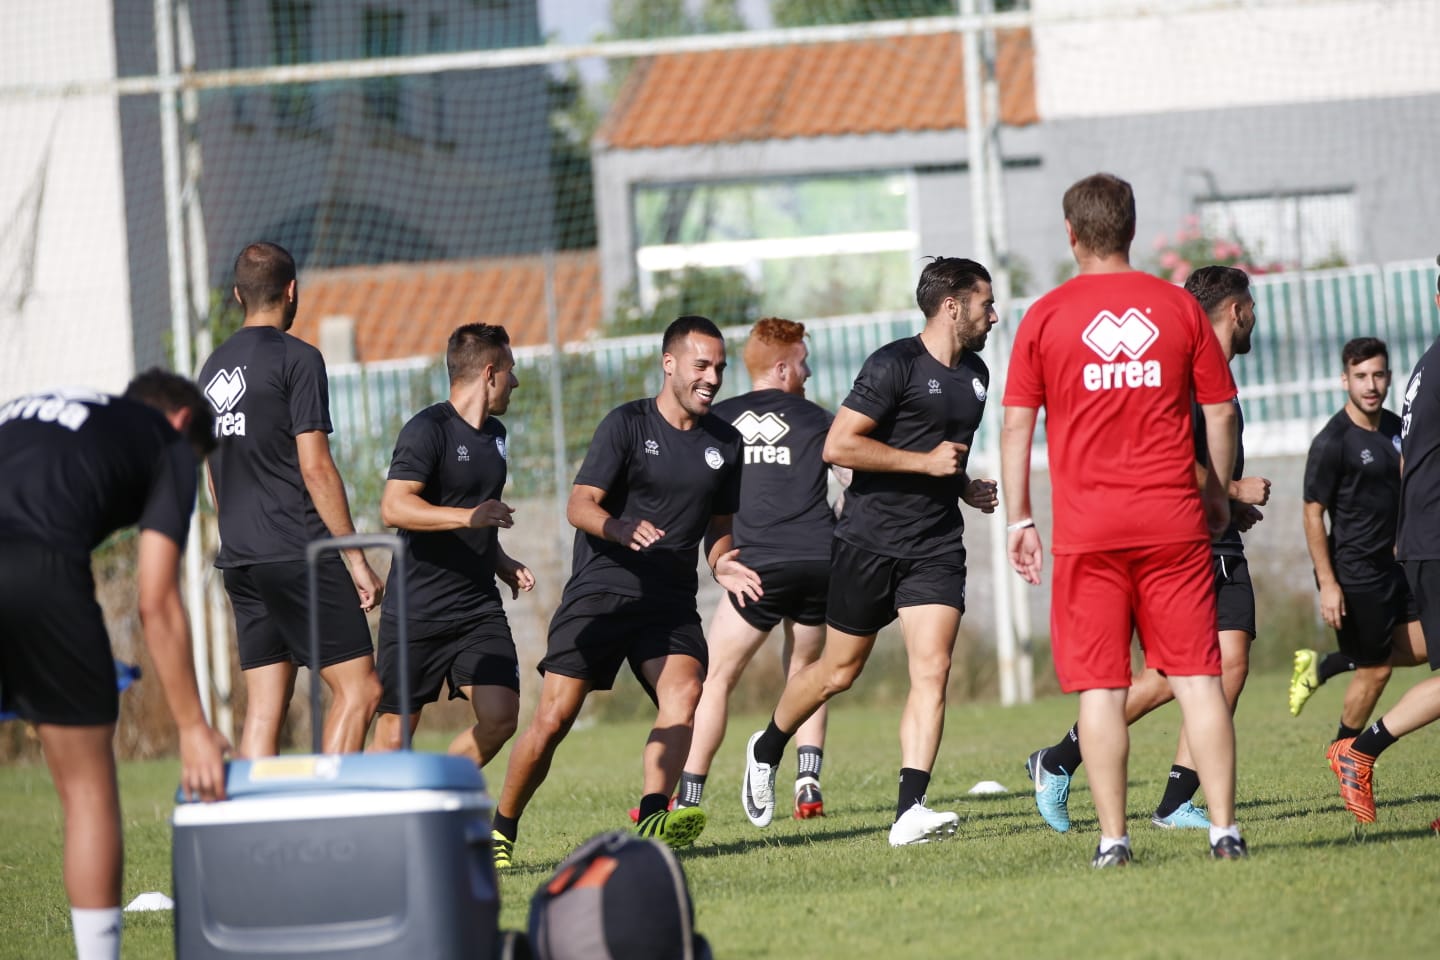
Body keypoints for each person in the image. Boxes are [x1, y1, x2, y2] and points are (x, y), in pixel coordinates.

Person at [1001, 173, 1247, 866]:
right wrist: (1217, 491)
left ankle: (1114, 840)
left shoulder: (1045, 316)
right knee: (1198, 679)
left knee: (1102, 690)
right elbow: (1220, 411)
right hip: (1173, 523)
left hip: (1088, 533)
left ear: (1071, 234)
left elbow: (1016, 427)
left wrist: (1020, 520)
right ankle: (1225, 831)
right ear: (1132, 228)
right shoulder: (1179, 308)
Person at [740, 257, 999, 848]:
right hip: (869, 541)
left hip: (935, 545)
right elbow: (839, 446)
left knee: (932, 670)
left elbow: (942, 456)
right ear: (952, 307)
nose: (993, 315)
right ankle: (768, 746)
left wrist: (963, 487)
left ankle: (910, 811)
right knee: (838, 672)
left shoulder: (977, 375)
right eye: (985, 304)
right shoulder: (892, 364)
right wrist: (925, 465)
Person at [490, 315, 760, 868]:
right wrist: (618, 528)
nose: (712, 378)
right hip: (603, 590)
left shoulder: (726, 442)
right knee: (553, 719)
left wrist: (722, 562)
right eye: (701, 366)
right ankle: (501, 830)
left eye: (720, 368)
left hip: (669, 601)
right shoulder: (627, 425)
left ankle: (654, 813)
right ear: (669, 364)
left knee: (686, 693)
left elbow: (719, 526)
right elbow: (579, 505)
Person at [1022, 265, 1271, 834]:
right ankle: (1059, 760)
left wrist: (1228, 504)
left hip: (1217, 534)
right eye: (1251, 307)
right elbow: (1164, 453)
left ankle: (1173, 801)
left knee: (1226, 665)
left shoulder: (1213, 372)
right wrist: (1231, 491)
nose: (1254, 318)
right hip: (1182, 539)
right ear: (1236, 311)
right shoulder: (1184, 372)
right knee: (1175, 675)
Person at [0, 371, 230, 960]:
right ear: (183, 420)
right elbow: (156, 600)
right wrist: (193, 728)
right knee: (87, 792)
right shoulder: (169, 442)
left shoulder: (38, 405)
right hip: (39, 570)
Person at [198, 242, 383, 758]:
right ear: (292, 291)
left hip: (240, 559)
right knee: (360, 690)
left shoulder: (212, 368)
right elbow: (316, 467)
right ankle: (327, 805)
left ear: (239, 295)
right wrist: (356, 560)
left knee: (264, 711)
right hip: (297, 553)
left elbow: (213, 475)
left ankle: (251, 813)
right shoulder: (298, 358)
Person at [674, 317, 840, 819]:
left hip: (756, 569)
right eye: (804, 363)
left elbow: (690, 489)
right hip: (819, 561)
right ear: (783, 368)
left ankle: (689, 796)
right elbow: (855, 484)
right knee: (808, 671)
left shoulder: (717, 420)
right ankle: (807, 783)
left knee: (717, 678)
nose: (808, 373)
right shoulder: (821, 419)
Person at [368, 324, 535, 765]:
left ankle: (439, 785)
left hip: (477, 607)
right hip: (417, 610)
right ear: (490, 372)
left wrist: (500, 560)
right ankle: (374, 805)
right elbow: (394, 507)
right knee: (393, 738)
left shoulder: (497, 435)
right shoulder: (427, 429)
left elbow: (475, 519)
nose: (516, 381)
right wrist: (468, 517)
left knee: (501, 718)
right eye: (511, 370)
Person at [1327, 261, 1440, 826]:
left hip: (1421, 539)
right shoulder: (1334, 441)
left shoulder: (1427, 364)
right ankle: (1360, 750)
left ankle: (1355, 736)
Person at [1291, 338, 1426, 731]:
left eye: (1378, 375)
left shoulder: (1397, 427)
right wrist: (1328, 584)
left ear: (1389, 377)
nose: (1371, 385)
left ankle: (1326, 665)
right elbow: (1312, 514)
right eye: (1361, 376)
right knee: (1376, 670)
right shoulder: (1332, 442)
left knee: (1427, 646)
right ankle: (1345, 751)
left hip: (1397, 566)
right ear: (1344, 380)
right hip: (1356, 573)